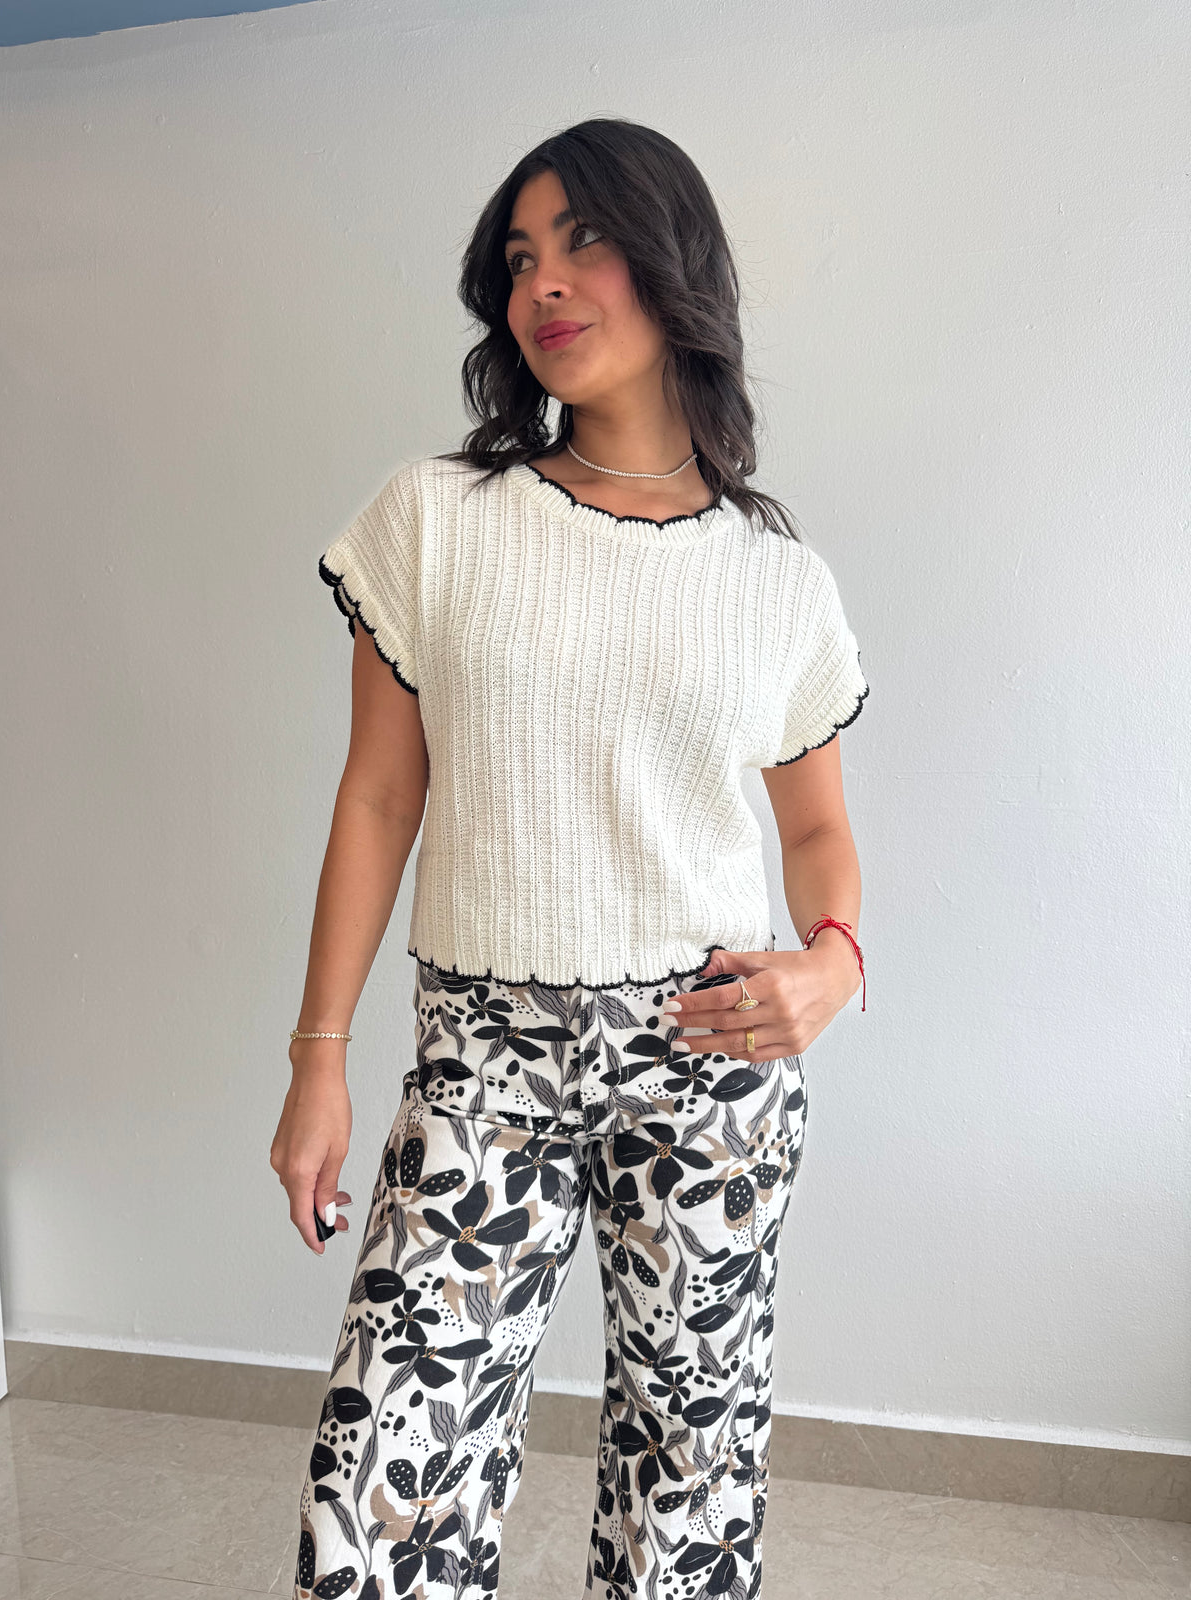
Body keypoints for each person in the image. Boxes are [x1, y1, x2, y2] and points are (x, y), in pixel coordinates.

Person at [270, 116, 869, 1600]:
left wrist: (833, 964)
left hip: (709, 1051)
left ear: (672, 261)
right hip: (486, 1054)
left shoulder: (777, 579)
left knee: (689, 1489)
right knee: (381, 1499)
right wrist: (319, 1057)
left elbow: (814, 827)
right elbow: (378, 798)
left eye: (583, 240)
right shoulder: (438, 518)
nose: (544, 281)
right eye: (520, 257)